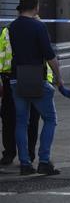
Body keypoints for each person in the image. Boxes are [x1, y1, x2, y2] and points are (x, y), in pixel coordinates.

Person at [8, 0, 62, 175]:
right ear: (36, 6)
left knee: (21, 122)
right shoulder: (39, 27)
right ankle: (44, 160)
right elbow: (50, 56)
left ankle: (24, 163)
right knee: (50, 119)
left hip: (16, 77)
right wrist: (59, 77)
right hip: (35, 76)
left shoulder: (12, 27)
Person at [0, 25, 40, 166]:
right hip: (14, 75)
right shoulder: (8, 30)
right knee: (10, 117)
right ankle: (15, 153)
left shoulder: (37, 28)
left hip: (27, 75)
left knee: (25, 118)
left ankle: (25, 153)